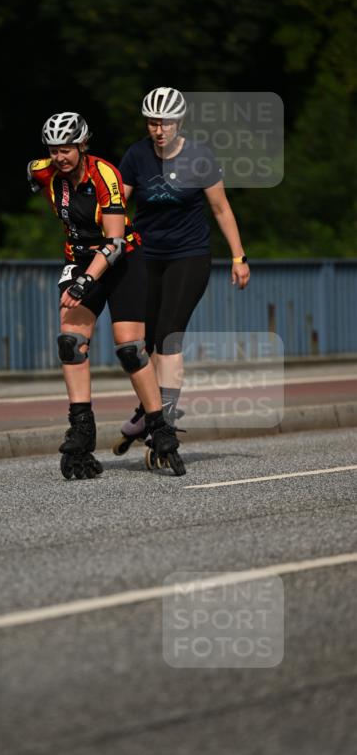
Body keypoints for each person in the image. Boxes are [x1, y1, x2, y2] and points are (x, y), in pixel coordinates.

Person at [28, 111, 185, 478]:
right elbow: (33, 171)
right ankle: (81, 431)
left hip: (121, 259)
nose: (60, 157)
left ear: (83, 145)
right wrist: (80, 275)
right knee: (70, 342)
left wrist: (85, 282)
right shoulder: (43, 170)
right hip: (79, 257)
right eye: (54, 150)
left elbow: (113, 243)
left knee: (130, 349)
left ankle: (159, 427)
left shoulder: (105, 175)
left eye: (67, 149)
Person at [113, 86, 251, 454]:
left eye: (166, 123)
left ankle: (165, 419)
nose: (159, 130)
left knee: (169, 334)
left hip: (189, 255)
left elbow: (221, 208)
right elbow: (116, 206)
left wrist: (238, 257)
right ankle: (148, 410)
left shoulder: (200, 156)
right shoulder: (136, 155)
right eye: (152, 123)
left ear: (180, 121)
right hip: (145, 256)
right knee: (142, 344)